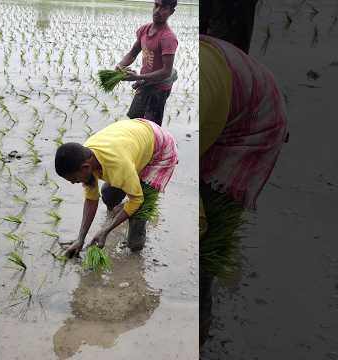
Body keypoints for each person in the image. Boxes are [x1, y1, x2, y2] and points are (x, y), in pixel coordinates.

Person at [199, 34, 289, 345]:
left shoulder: (198, 105)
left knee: (206, 239)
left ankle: (199, 329)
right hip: (226, 96)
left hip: (254, 121)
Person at [54, 118, 178, 258]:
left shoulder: (118, 165)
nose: (73, 183)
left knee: (135, 238)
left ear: (86, 167)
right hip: (135, 138)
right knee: (108, 193)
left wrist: (106, 230)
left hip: (160, 150)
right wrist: (80, 239)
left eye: (74, 179)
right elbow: (91, 199)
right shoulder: (85, 156)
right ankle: (120, 208)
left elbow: (137, 200)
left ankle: (135, 252)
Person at [117, 0, 179, 126]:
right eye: (156, 5)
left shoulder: (168, 38)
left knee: (151, 127)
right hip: (145, 82)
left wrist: (138, 77)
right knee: (134, 119)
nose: (157, 10)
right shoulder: (144, 30)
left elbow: (166, 72)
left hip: (159, 88)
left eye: (163, 8)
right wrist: (120, 65)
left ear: (171, 12)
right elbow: (132, 53)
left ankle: (155, 145)